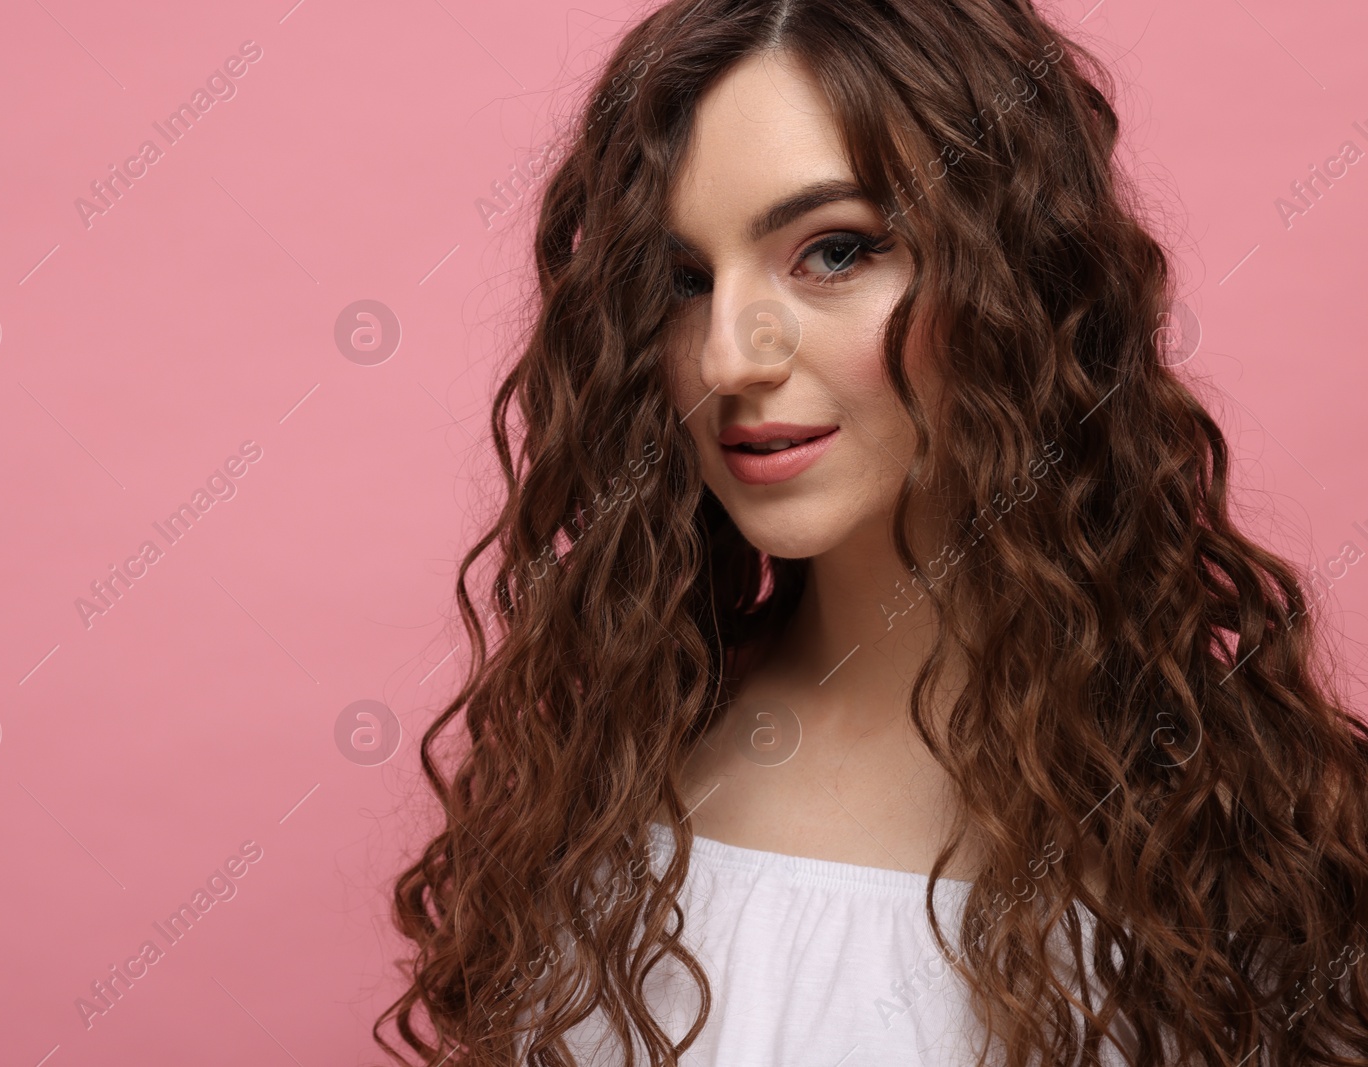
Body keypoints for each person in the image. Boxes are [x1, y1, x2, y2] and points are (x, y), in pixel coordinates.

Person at [375, 0, 1368, 1064]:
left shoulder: (1247, 840)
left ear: (1015, 280)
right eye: (684, 279)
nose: (726, 358)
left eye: (835, 251)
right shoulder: (596, 791)